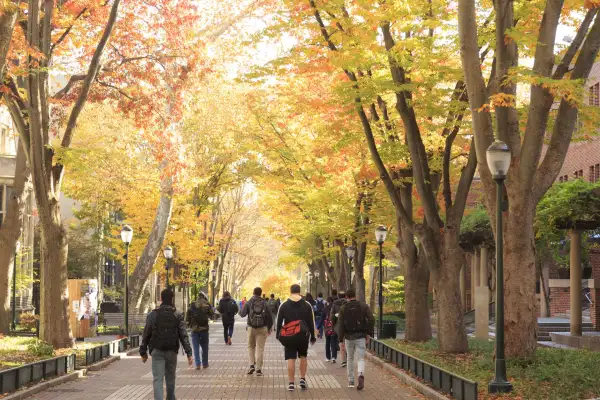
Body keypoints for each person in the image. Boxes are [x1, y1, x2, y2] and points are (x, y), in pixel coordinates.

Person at [140, 288, 193, 400]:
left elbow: (146, 334)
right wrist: (189, 353)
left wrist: (143, 351)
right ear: (172, 299)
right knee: (170, 378)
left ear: (161, 299)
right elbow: (183, 335)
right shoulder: (177, 315)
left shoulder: (153, 315)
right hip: (172, 351)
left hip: (157, 350)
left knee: (158, 379)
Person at [276, 284, 316, 392]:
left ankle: (291, 383)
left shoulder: (284, 305)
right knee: (303, 356)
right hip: (303, 335)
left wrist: (279, 336)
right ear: (299, 291)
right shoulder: (307, 305)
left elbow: (279, 322)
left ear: (290, 291)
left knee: (291, 358)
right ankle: (302, 379)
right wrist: (313, 336)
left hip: (289, 336)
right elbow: (311, 321)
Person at [338, 288, 375, 390]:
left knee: (349, 357)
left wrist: (340, 339)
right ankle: (361, 374)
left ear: (346, 297)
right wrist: (368, 333)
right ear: (355, 295)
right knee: (361, 358)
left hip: (349, 337)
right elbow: (371, 319)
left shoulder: (343, 308)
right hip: (361, 336)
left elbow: (340, 325)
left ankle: (351, 381)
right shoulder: (363, 306)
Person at [240, 287, 273, 377]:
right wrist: (269, 328)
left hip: (251, 327)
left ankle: (251, 365)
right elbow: (270, 317)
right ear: (260, 293)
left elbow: (242, 314)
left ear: (253, 293)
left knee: (251, 346)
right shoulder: (265, 303)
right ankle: (258, 369)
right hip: (262, 328)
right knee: (260, 348)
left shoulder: (249, 302)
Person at [186, 292, 214, 369]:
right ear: (204, 297)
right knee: (205, 347)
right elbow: (212, 315)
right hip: (204, 329)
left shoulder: (192, 305)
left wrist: (188, 325)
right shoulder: (207, 304)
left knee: (195, 347)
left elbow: (187, 318)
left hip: (194, 330)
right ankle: (205, 364)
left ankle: (198, 364)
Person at [330, 290, 348, 367]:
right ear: (345, 296)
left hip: (338, 326)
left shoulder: (334, 304)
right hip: (348, 325)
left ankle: (343, 360)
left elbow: (332, 317)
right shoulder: (348, 303)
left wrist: (333, 325)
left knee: (341, 343)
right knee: (347, 342)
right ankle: (347, 358)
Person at [323, 296, 338, 363]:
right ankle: (334, 357)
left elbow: (321, 319)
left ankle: (328, 357)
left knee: (327, 342)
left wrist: (317, 328)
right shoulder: (335, 308)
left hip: (327, 328)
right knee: (334, 342)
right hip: (334, 327)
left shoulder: (325, 309)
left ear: (327, 302)